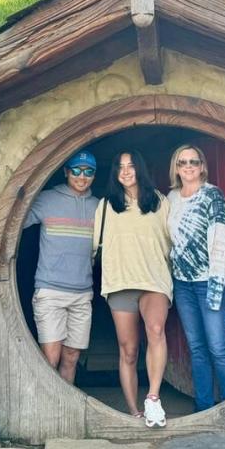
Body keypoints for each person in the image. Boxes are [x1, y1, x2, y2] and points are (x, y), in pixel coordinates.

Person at [92, 150, 172, 428]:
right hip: (120, 282)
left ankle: (152, 397)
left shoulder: (159, 201)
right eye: (120, 167)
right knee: (128, 350)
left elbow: (170, 242)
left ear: (140, 169)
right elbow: (93, 246)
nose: (126, 171)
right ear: (115, 173)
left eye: (131, 166)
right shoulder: (106, 205)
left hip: (154, 280)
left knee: (156, 331)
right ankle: (133, 409)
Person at [166, 144, 225, 412]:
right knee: (196, 348)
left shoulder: (213, 196)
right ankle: (204, 407)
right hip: (183, 283)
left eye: (193, 162)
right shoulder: (171, 198)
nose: (188, 166)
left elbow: (221, 241)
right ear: (176, 167)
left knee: (218, 347)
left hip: (211, 280)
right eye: (182, 162)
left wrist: (216, 287)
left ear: (202, 166)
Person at [23, 150, 99, 384]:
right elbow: (13, 224)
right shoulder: (45, 199)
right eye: (76, 170)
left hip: (82, 292)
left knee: (72, 356)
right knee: (50, 357)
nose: (81, 176)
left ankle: (66, 414)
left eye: (88, 171)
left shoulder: (100, 207)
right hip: (50, 290)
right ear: (66, 172)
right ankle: (44, 414)